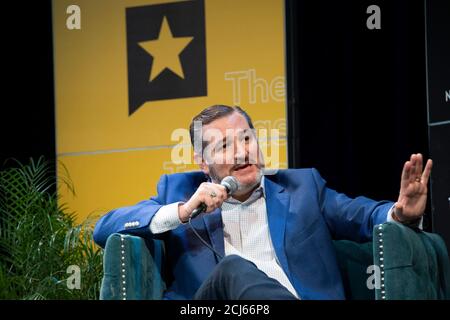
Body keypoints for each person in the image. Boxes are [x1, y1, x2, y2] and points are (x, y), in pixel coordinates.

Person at [93, 105, 433, 300]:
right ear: (202, 163)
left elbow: (362, 214)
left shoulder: (302, 188)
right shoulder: (180, 193)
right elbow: (104, 227)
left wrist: (398, 213)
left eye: (246, 139)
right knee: (233, 269)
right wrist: (182, 212)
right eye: (224, 146)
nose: (242, 152)